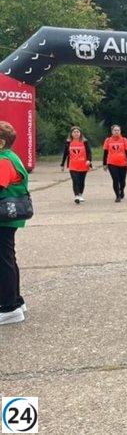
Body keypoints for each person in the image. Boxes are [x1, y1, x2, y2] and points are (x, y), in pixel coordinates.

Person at [0, 122, 29, 325]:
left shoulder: (3, 160)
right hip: (9, 217)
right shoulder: (11, 156)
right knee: (7, 257)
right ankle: (16, 301)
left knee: (3, 260)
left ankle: (9, 307)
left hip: (4, 217)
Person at [60, 126, 92, 204]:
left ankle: (80, 194)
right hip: (72, 165)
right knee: (75, 180)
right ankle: (76, 195)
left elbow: (89, 152)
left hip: (83, 164)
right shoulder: (68, 142)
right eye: (74, 132)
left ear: (80, 133)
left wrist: (89, 160)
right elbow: (65, 154)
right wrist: (62, 164)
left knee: (81, 181)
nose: (76, 133)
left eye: (77, 132)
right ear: (71, 134)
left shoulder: (85, 142)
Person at [102, 125, 127, 203]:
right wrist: (104, 164)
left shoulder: (124, 140)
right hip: (112, 163)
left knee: (122, 180)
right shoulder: (108, 140)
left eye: (118, 130)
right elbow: (105, 153)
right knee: (115, 179)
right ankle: (117, 196)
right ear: (112, 131)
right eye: (115, 130)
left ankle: (122, 190)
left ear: (120, 131)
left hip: (123, 163)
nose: (116, 132)